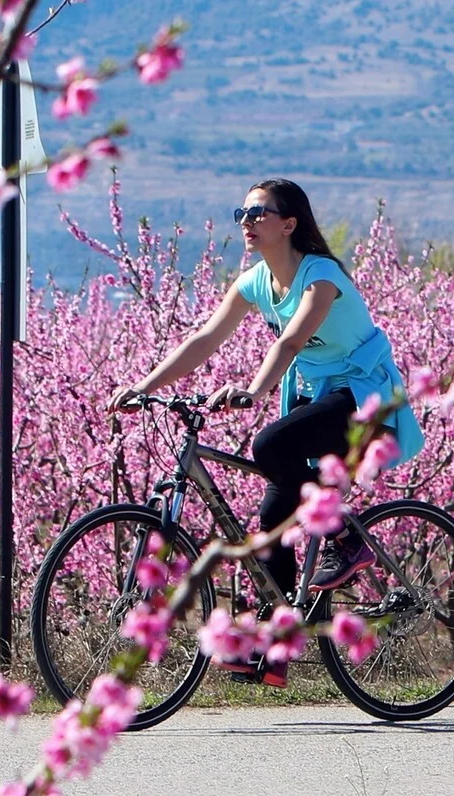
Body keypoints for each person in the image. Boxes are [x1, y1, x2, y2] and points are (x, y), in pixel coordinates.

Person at [108, 178, 423, 681]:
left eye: (258, 214)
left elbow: (294, 339)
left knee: (270, 443)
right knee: (273, 517)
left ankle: (347, 540)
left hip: (363, 395)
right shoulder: (256, 281)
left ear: (289, 224)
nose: (247, 223)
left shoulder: (321, 276)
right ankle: (275, 647)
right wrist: (142, 386)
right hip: (316, 396)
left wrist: (253, 391)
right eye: (243, 214)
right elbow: (206, 337)